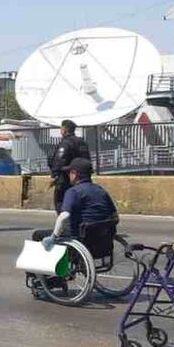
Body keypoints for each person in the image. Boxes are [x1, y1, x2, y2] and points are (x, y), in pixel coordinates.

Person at [29, 157, 118, 288]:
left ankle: (47, 279)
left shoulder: (73, 192)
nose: (69, 175)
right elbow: (115, 216)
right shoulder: (100, 190)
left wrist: (54, 237)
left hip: (81, 239)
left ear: (74, 174)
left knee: (38, 235)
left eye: (70, 172)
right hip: (101, 241)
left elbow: (64, 216)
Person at [47, 119, 90, 213]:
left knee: (61, 202)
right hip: (82, 177)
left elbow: (59, 159)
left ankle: (66, 224)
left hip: (65, 177)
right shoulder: (82, 142)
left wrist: (54, 175)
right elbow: (87, 159)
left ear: (64, 130)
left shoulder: (66, 143)